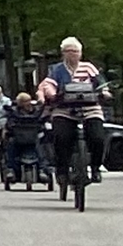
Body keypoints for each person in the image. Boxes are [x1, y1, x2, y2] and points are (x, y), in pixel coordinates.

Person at [37, 36, 108, 188]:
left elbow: (100, 83)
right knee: (61, 137)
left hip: (89, 108)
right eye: (68, 51)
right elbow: (49, 84)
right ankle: (62, 171)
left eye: (75, 51)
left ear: (80, 53)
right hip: (64, 109)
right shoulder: (56, 69)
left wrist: (105, 92)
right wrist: (52, 94)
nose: (72, 54)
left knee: (98, 138)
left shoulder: (88, 67)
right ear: (63, 53)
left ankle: (95, 168)